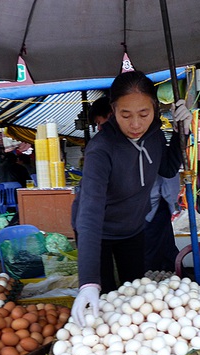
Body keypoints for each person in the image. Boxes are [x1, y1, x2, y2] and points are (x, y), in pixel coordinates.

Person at [70, 70, 191, 326]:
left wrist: (183, 133)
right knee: (102, 299)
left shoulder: (154, 134)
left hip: (134, 228)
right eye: (126, 115)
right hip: (98, 231)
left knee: (132, 294)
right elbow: (89, 214)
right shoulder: (101, 150)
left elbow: (168, 169)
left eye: (144, 114)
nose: (135, 124)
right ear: (113, 110)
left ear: (155, 108)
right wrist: (88, 282)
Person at [144, 174, 181, 272]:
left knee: (162, 246)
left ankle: (173, 273)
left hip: (155, 204)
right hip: (152, 204)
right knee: (154, 248)